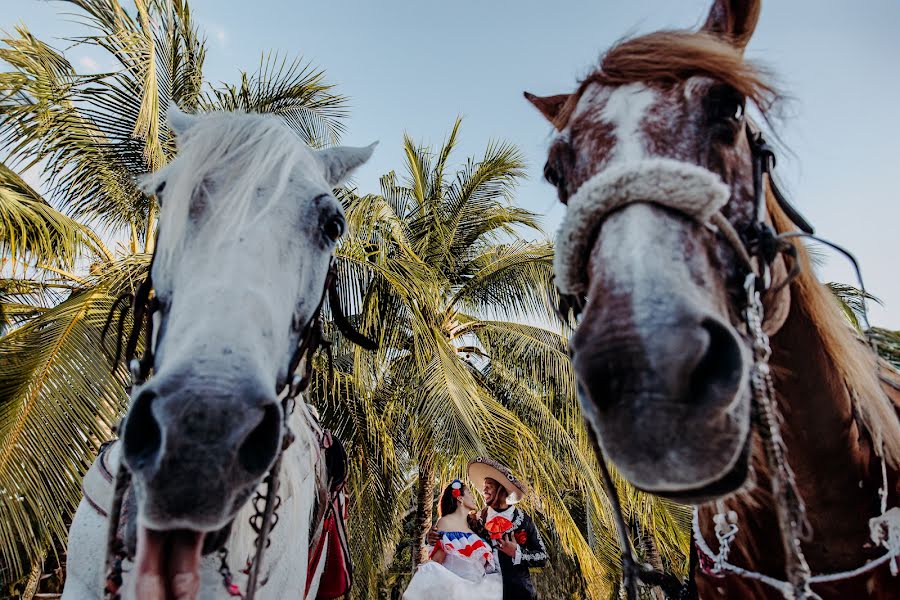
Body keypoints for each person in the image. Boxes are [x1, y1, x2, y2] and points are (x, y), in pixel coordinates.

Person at [403, 479, 503, 600]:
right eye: (469, 493)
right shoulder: (445, 522)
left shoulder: (475, 525)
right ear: (460, 498)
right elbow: (438, 559)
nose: (473, 497)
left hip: (478, 590)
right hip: (456, 590)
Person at [466, 457, 548, 599]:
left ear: (502, 489)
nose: (483, 489)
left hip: (521, 594)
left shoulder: (525, 521)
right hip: (486, 594)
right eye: (484, 485)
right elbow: (454, 537)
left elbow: (542, 557)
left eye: (489, 485)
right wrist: (431, 536)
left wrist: (516, 553)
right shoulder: (477, 520)